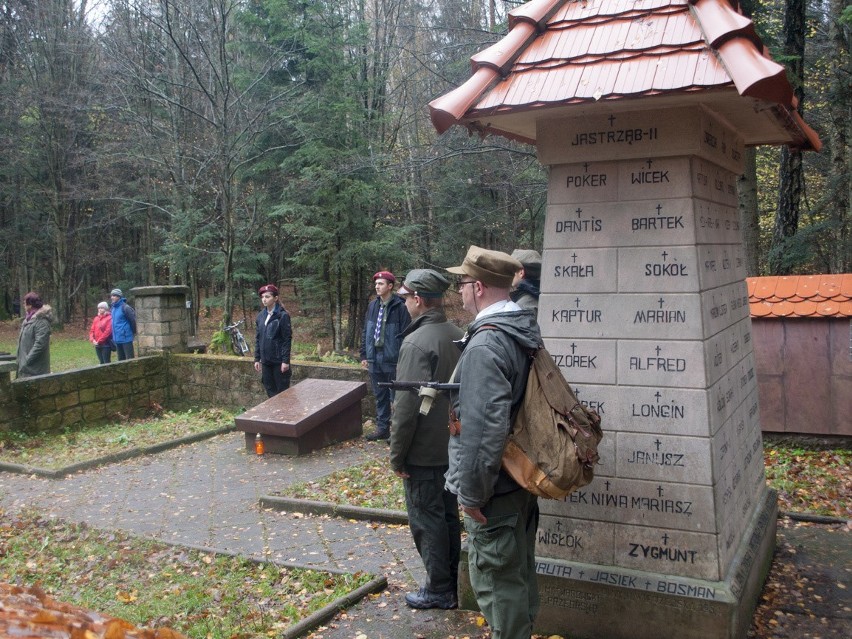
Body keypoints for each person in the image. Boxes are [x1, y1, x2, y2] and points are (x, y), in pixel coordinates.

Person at [445, 245, 543, 639]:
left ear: (479, 287)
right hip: (517, 479)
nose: (459, 292)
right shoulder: (520, 328)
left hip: (495, 488)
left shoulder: (487, 344)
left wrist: (471, 493)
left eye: (462, 284)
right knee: (517, 577)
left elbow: (483, 429)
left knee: (498, 585)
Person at [390, 269, 464, 610]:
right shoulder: (457, 334)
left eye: (405, 297)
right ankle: (451, 581)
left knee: (426, 520)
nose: (404, 302)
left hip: (423, 451)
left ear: (418, 299)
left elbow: (406, 408)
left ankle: (439, 590)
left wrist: (397, 456)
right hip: (451, 446)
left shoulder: (416, 342)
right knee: (448, 517)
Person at [360, 270, 410, 441]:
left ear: (390, 286)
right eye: (376, 284)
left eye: (380, 284)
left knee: (396, 397)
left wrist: (402, 359)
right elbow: (366, 331)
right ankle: (383, 428)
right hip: (375, 357)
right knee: (379, 395)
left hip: (393, 359)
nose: (377, 287)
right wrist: (364, 355)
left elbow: (405, 334)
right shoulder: (373, 306)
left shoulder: (400, 306)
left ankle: (397, 432)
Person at [254, 284, 292, 397]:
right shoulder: (260, 316)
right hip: (266, 361)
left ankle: (283, 414)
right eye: (262, 297)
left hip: (279, 361)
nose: (264, 299)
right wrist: (257, 358)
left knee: (281, 393)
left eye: (267, 297)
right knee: (269, 390)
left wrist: (285, 361)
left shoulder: (282, 316)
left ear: (275, 298)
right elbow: (258, 338)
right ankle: (273, 414)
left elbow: (286, 339)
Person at [16, 291, 53, 378]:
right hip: (26, 369)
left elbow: (40, 345)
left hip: (35, 370)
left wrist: (26, 361)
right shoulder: (28, 319)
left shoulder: (41, 321)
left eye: (25, 303)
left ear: (30, 305)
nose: (24, 305)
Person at [109, 288, 137, 360]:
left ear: (119, 296)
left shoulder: (125, 307)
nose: (112, 297)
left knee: (129, 359)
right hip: (117, 338)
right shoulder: (113, 308)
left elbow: (133, 321)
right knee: (120, 360)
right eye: (112, 295)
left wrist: (133, 333)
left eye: (114, 295)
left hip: (126, 338)